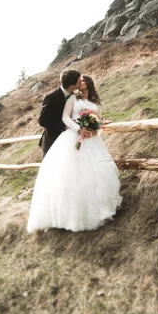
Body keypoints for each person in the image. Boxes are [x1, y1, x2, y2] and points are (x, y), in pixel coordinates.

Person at [28, 75, 122, 232]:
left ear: (88, 84)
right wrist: (79, 128)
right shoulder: (73, 99)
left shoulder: (95, 103)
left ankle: (97, 208)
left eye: (83, 80)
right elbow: (65, 118)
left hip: (92, 141)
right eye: (79, 80)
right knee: (72, 174)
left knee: (95, 173)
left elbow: (98, 119)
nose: (81, 82)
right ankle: (69, 214)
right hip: (72, 138)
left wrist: (97, 125)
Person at [38, 69, 85, 157]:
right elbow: (42, 121)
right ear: (72, 86)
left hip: (70, 139)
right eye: (79, 82)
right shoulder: (52, 97)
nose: (81, 83)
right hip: (53, 141)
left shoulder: (74, 95)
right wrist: (65, 126)